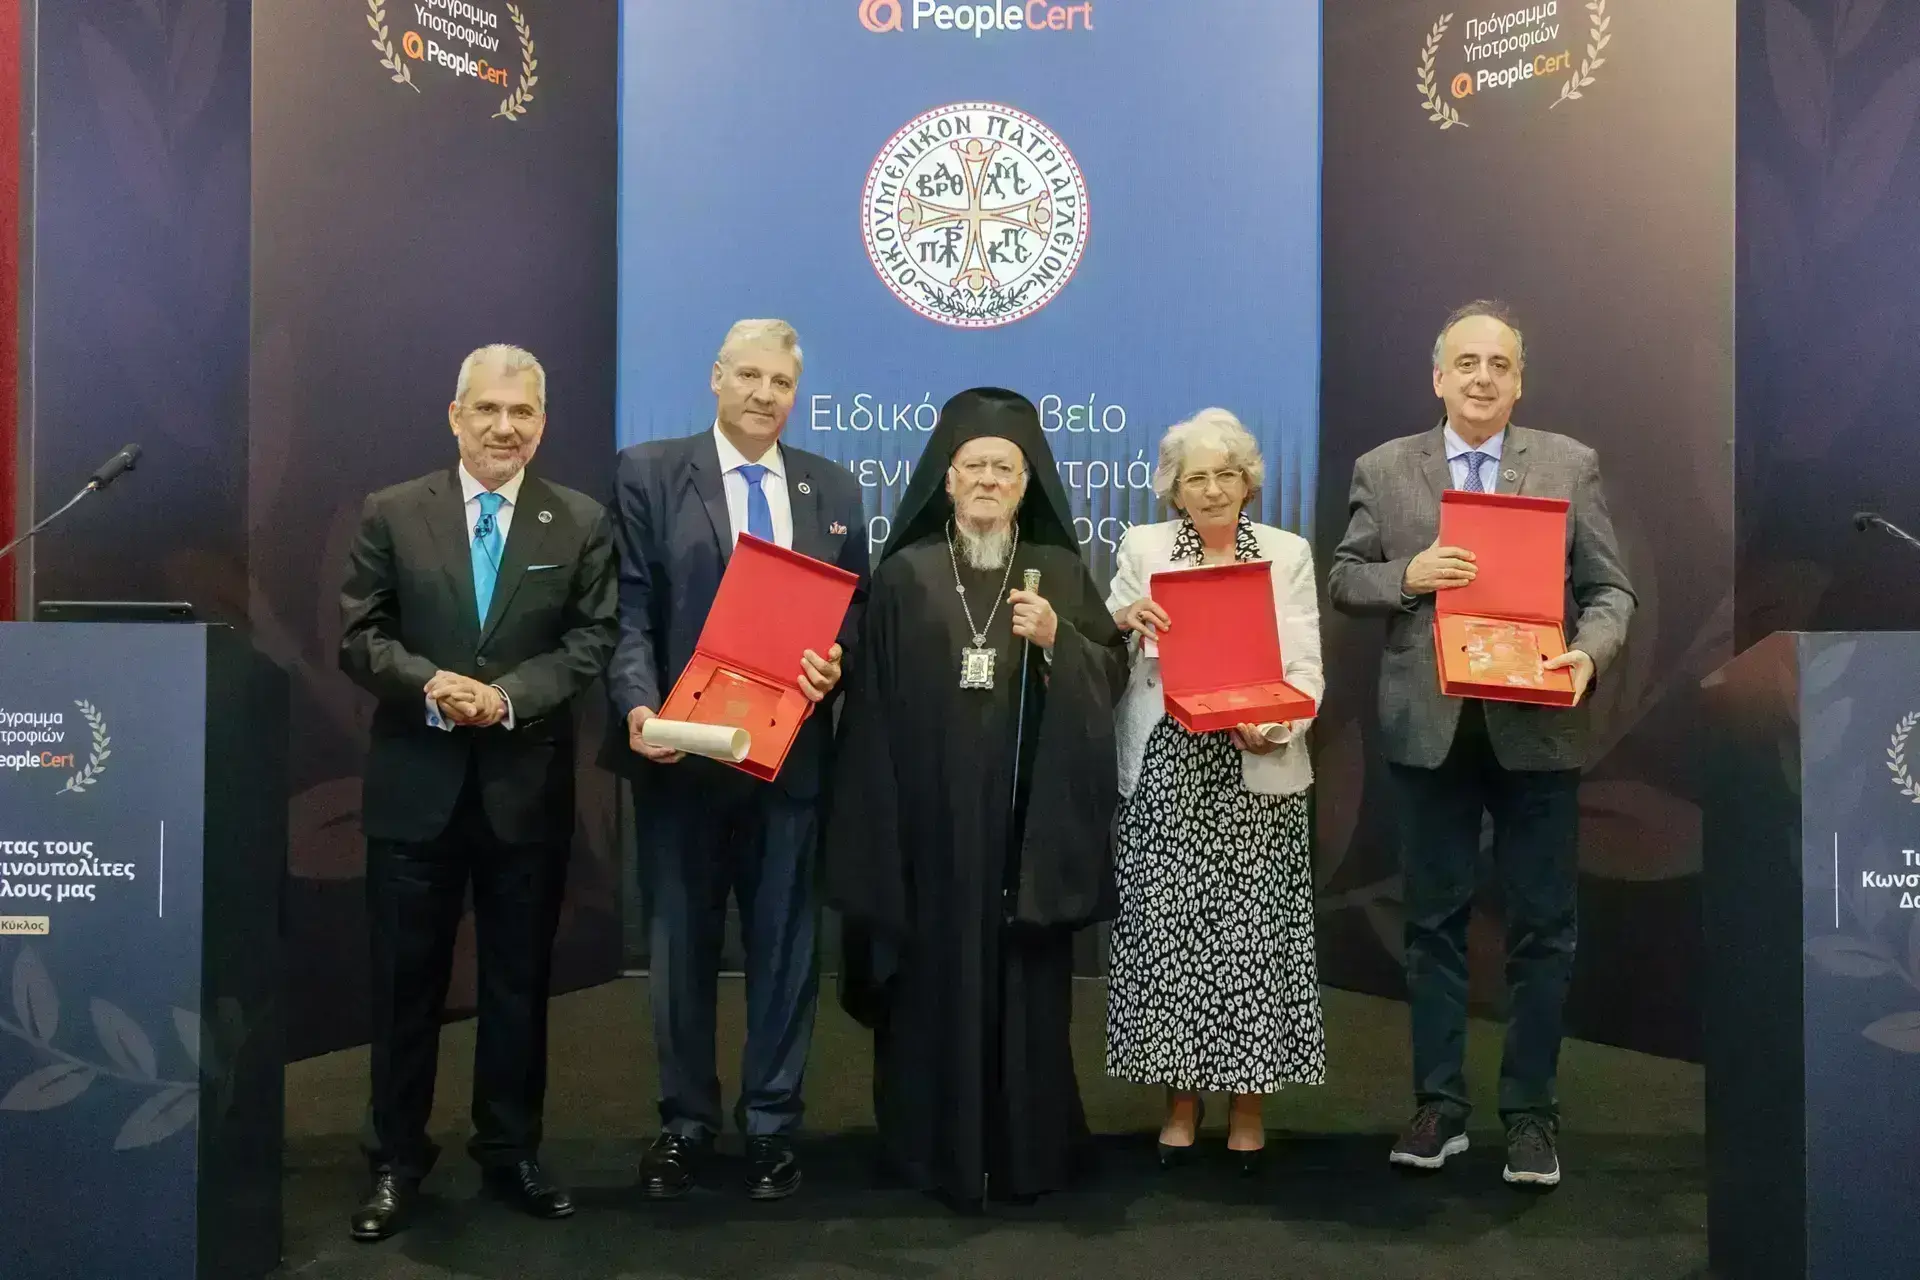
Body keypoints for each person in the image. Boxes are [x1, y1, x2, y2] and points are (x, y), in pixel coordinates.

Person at [1328, 300, 1636, 1188]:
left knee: (1543, 930)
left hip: (1538, 726)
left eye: (1499, 364)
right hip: (1429, 731)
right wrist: (1408, 574)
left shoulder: (1569, 464)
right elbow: (1345, 578)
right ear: (1438, 378)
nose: (1482, 377)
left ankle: (1531, 1115)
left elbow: (1612, 592)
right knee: (1431, 926)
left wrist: (1590, 655)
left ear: (1520, 382)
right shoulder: (1385, 468)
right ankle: (1439, 1106)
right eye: (1466, 362)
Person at [823, 387, 1129, 1206]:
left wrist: (1060, 641)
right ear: (947, 479)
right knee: (928, 988)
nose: (988, 480)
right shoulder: (904, 576)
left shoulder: (1058, 570)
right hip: (927, 834)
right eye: (974, 467)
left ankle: (1027, 1151)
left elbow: (1110, 671)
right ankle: (929, 1152)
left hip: (1027, 829)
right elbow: (869, 708)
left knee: (1027, 992)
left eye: (1004, 468)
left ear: (1026, 485)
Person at [338, 344, 618, 1240]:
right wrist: (430, 683)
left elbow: (592, 640)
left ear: (543, 423)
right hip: (415, 790)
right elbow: (360, 635)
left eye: (522, 412)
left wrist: (507, 698)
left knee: (516, 988)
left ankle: (510, 1151)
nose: (505, 427)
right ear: (455, 416)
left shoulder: (579, 521)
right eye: (488, 409)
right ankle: (396, 1161)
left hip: (523, 792)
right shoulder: (392, 511)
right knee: (403, 989)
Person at [606, 319, 867, 1201]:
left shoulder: (833, 488)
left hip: (788, 762)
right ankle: (685, 1124)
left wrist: (837, 662)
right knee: (679, 949)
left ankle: (770, 1125)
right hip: (680, 757)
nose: (764, 394)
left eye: (781, 383)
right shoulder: (648, 472)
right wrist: (638, 706)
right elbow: (628, 610)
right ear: (716, 377)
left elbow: (854, 611)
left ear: (797, 395)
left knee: (786, 951)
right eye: (749, 376)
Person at [1103, 409, 1326, 1175]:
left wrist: (1277, 726)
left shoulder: (1287, 553)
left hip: (1254, 767)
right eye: (1195, 477)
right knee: (1170, 936)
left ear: (1248, 482)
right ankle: (1180, 1103)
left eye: (1226, 474)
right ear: (1173, 489)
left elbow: (1305, 664)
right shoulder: (1144, 547)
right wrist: (1126, 619)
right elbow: (1111, 640)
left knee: (1250, 940)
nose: (1211, 489)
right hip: (1169, 765)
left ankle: (1249, 1107)